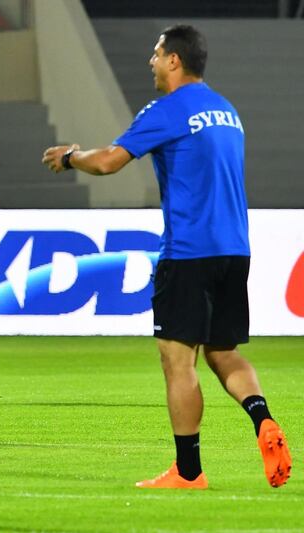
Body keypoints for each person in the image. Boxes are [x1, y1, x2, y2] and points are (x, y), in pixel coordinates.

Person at [42, 25, 291, 489]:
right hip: (235, 249)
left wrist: (71, 155)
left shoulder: (168, 110)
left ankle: (189, 471)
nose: (152, 62)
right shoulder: (226, 111)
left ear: (175, 60)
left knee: (178, 361)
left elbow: (110, 160)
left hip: (188, 252)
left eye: (156, 54)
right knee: (224, 351)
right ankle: (263, 420)